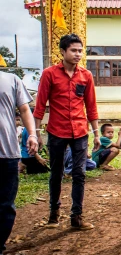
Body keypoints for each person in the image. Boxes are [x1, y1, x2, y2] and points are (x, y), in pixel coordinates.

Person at [33, 33, 99, 231]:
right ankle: (54, 213)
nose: (78, 54)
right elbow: (39, 105)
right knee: (56, 173)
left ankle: (76, 216)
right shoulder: (49, 74)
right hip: (56, 131)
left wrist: (96, 133)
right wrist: (36, 133)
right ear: (63, 52)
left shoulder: (86, 76)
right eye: (74, 50)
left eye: (80, 51)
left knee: (79, 173)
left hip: (79, 131)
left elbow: (91, 106)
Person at [1, 71, 37, 255]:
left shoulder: (11, 79)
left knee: (6, 204)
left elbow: (24, 110)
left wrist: (32, 134)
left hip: (7, 151)